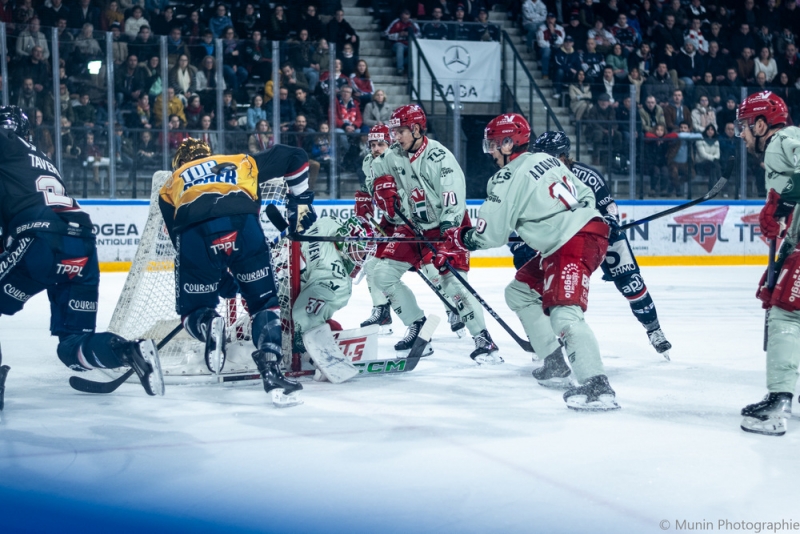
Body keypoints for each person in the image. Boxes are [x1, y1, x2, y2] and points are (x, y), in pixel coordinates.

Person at [434, 117, 618, 410]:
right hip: (578, 237)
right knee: (518, 292)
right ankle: (555, 362)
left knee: (565, 314)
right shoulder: (548, 160)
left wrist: (460, 238)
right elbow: (585, 194)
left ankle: (596, 384)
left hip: (571, 244)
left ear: (509, 143)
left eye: (494, 144)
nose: (491, 151)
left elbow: (490, 234)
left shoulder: (506, 178)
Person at [0, 106, 164, 397]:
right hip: (82, 242)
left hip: (40, 237)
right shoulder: (42, 160)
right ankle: (128, 351)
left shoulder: (7, 144)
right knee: (71, 346)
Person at [159, 138, 315, 406]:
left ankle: (208, 324)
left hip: (195, 232)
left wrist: (221, 281)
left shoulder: (171, 183)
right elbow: (296, 156)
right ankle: (271, 369)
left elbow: (180, 241)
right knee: (264, 304)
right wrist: (300, 206)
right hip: (243, 226)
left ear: (179, 163)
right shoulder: (238, 160)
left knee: (192, 312)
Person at [367, 105, 499, 363]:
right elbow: (374, 168)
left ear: (416, 129)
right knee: (381, 273)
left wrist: (449, 238)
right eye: (394, 132)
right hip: (413, 226)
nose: (396, 137)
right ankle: (417, 325)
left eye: (401, 131)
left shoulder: (440, 158)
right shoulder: (395, 153)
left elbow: (453, 202)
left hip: (446, 226)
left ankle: (483, 338)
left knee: (452, 283)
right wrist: (379, 187)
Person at [532, 131, 672, 358]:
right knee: (558, 290)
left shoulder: (587, 175)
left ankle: (654, 330)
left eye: (550, 157)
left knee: (631, 282)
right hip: (566, 240)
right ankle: (552, 342)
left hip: (601, 234)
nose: (545, 162)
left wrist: (611, 221)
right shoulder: (537, 179)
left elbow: (609, 206)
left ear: (564, 156)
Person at [737, 91, 800, 436]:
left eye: (745, 127)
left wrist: (780, 203)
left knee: (787, 312)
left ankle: (779, 402)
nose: (743, 135)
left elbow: (794, 186)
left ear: (762, 124)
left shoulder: (780, 142)